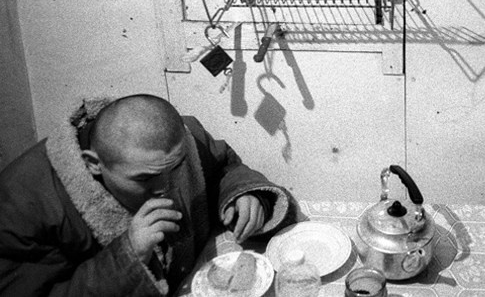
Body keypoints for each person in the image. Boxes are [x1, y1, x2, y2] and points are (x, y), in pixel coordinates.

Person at [0, 94, 294, 296]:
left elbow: (224, 165)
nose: (166, 186)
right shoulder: (22, 206)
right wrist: (127, 256)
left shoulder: (180, 139)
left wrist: (245, 194)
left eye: (176, 168)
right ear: (93, 163)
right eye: (145, 178)